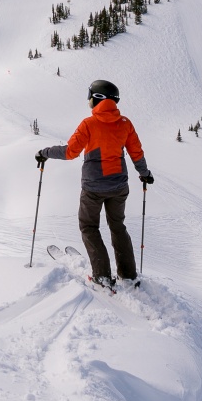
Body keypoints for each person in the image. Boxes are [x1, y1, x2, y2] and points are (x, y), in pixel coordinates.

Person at [36, 79, 153, 287]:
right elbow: (136, 153)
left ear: (97, 98)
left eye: (90, 95)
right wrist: (144, 173)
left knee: (89, 227)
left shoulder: (89, 124)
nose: (88, 100)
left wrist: (44, 153)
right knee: (118, 227)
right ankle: (127, 274)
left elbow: (70, 152)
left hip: (93, 187)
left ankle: (102, 276)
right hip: (119, 186)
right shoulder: (125, 123)